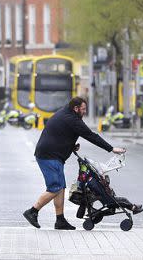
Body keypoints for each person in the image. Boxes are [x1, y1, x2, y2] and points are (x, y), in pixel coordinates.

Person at [23, 97, 124, 230]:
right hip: (49, 156)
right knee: (55, 187)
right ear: (76, 108)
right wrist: (111, 149)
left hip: (53, 155)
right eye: (83, 109)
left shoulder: (66, 113)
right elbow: (91, 135)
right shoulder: (72, 119)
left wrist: (70, 145)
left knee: (60, 188)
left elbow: (59, 134)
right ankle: (32, 211)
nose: (85, 112)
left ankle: (60, 220)